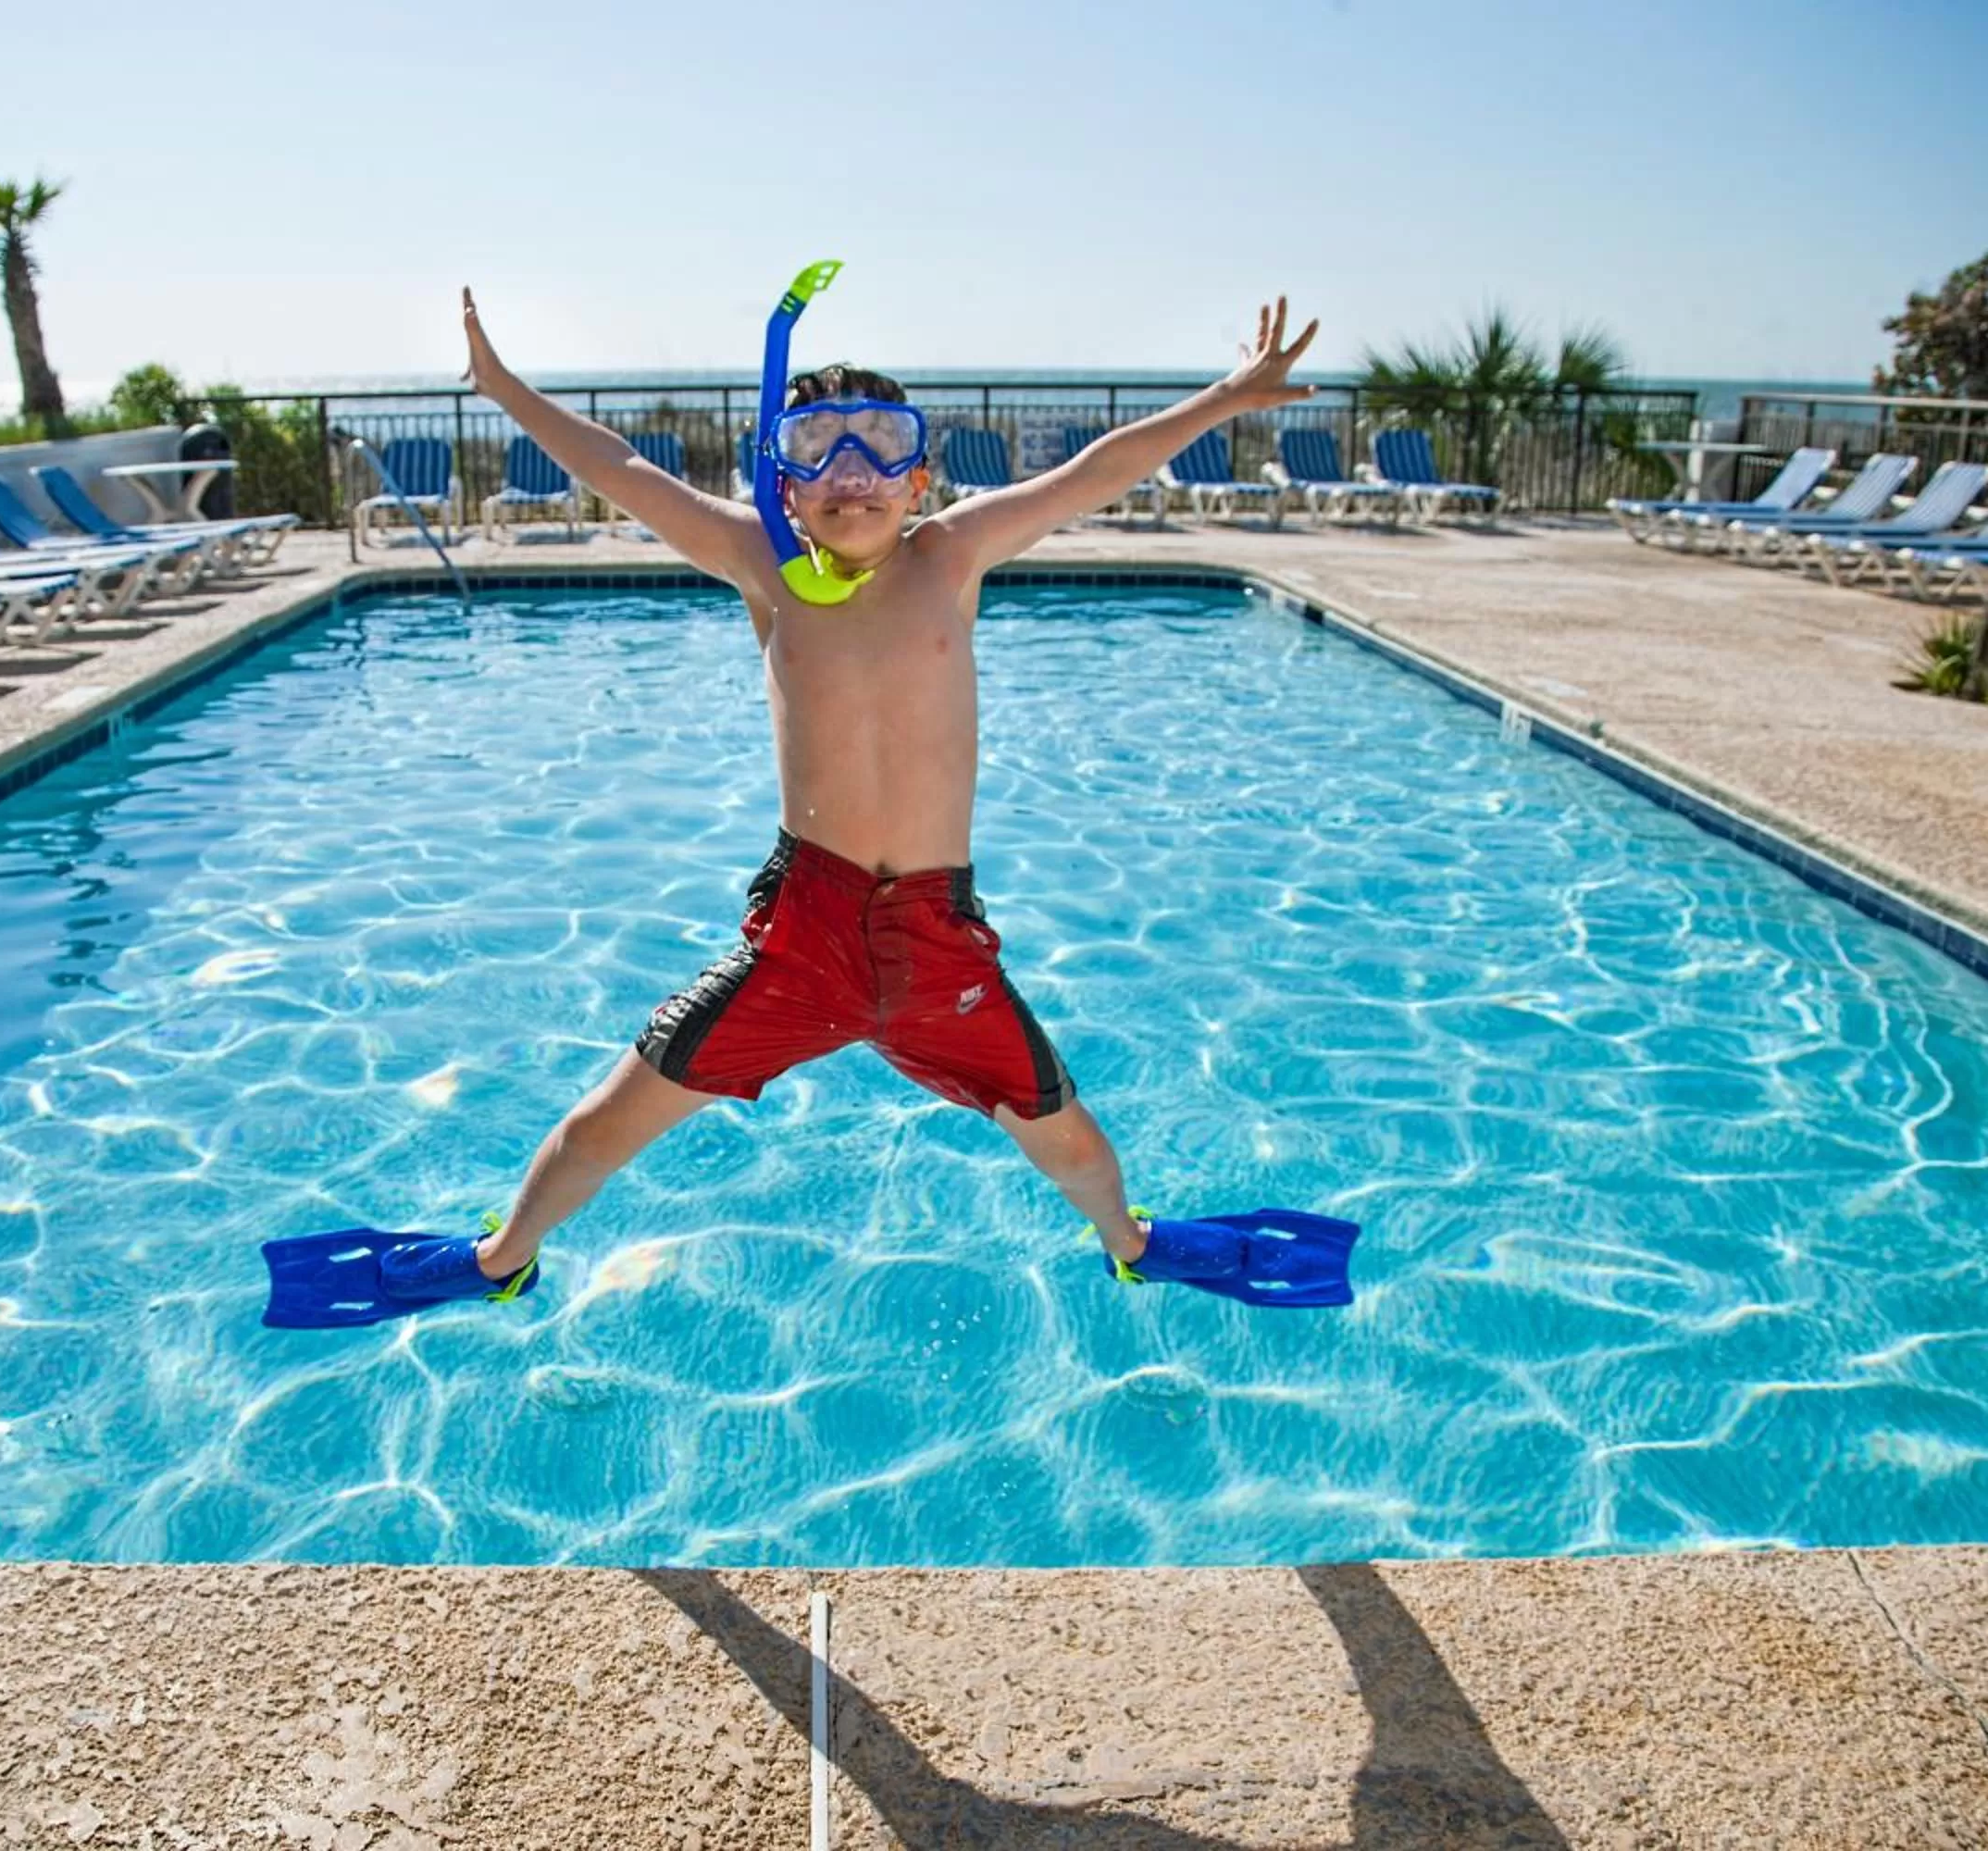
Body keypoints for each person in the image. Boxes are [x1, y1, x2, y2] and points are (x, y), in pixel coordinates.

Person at [259, 278, 1356, 1331]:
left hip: (939, 943)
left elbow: (1094, 467)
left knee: (1065, 1136)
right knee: (606, 1121)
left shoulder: (955, 553)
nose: (850, 469)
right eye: (815, 445)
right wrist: (505, 391)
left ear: (921, 478)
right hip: (802, 940)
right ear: (779, 482)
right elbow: (623, 464)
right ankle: (499, 1261)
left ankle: (1130, 1243)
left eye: (880, 444)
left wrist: (1225, 400)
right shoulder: (761, 563)